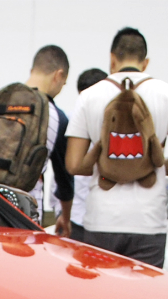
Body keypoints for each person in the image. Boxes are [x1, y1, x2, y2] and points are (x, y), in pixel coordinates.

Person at [64, 27, 168, 267]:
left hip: (101, 220)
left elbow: (73, 164)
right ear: (145, 62)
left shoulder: (88, 96)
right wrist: (147, 166)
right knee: (144, 291)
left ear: (112, 59)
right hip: (149, 221)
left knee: (101, 288)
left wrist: (110, 164)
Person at [21, 45, 74, 236]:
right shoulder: (55, 116)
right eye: (63, 84)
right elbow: (64, 179)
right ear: (58, 75)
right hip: (25, 213)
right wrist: (65, 217)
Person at [66, 67, 107, 242]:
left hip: (106, 218)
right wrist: (61, 211)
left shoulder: (118, 124)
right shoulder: (71, 122)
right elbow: (64, 169)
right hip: (76, 217)